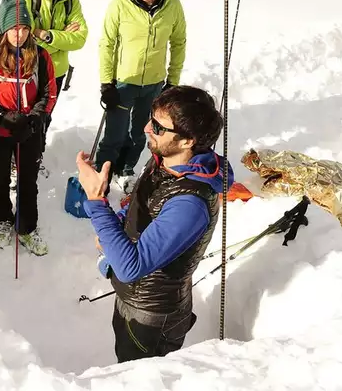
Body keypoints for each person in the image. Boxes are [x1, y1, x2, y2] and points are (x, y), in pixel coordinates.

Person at [75, 85, 232, 362]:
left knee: (138, 378)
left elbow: (131, 266)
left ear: (187, 141)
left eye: (159, 127)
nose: (147, 128)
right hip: (134, 300)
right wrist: (116, 235)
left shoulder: (189, 204)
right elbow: (142, 210)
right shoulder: (165, 158)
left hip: (150, 319)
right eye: (151, 119)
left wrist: (97, 200)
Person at [0, 0, 58, 256]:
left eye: (24, 28)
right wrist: (2, 116)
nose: (19, 34)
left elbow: (49, 93)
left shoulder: (41, 57)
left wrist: (33, 118)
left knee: (27, 181)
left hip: (28, 131)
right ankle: (2, 220)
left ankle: (27, 227)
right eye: (13, 28)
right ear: (3, 29)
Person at [95, 0, 187, 193]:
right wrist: (107, 83)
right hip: (124, 82)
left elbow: (178, 43)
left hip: (154, 83)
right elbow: (107, 43)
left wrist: (172, 82)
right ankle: (101, 173)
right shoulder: (120, 4)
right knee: (114, 132)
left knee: (141, 132)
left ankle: (126, 170)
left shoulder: (173, 5)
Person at [20, 0, 88, 165]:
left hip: (56, 73)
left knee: (45, 119)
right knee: (26, 118)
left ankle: (35, 158)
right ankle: (18, 162)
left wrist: (46, 34)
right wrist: (61, 37)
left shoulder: (71, 0)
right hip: (29, 71)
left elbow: (79, 39)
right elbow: (22, 39)